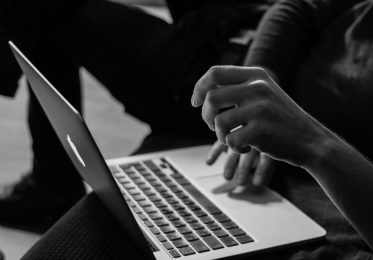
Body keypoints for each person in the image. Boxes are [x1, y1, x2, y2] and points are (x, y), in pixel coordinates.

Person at [18, 0, 373, 259]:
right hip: (227, 57)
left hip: (268, 157)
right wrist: (258, 90)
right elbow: (295, 8)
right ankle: (50, 184)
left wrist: (312, 143)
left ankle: (49, 187)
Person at [0, 0, 273, 224]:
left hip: (220, 61)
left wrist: (262, 96)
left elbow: (295, 9)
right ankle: (53, 185)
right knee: (44, 12)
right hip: (220, 29)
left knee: (43, 7)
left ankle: (53, 186)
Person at [192, 65, 373, 259]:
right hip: (264, 179)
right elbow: (298, 12)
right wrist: (250, 97)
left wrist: (317, 145)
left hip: (337, 233)